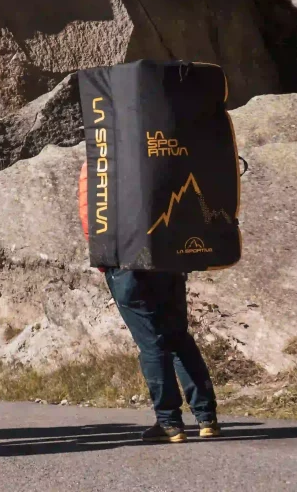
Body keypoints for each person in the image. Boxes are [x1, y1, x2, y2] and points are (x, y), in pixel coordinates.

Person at [77, 162, 220, 443]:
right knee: (178, 336)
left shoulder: (100, 155)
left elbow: (89, 213)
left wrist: (104, 260)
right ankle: (207, 418)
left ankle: (169, 422)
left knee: (151, 341)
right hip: (167, 256)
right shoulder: (161, 144)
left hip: (125, 261)